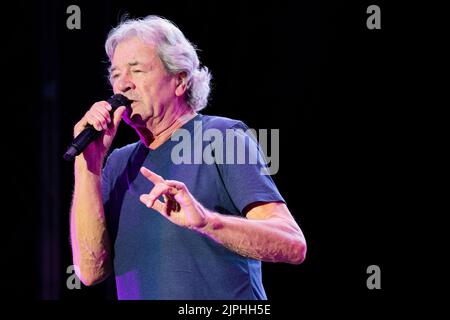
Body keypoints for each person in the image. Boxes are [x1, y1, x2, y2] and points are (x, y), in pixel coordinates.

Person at [70, 15, 306, 300]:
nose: (123, 85)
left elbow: (292, 244)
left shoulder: (223, 137)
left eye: (137, 70)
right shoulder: (118, 164)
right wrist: (88, 165)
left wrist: (206, 221)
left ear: (179, 80)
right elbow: (90, 271)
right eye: (116, 74)